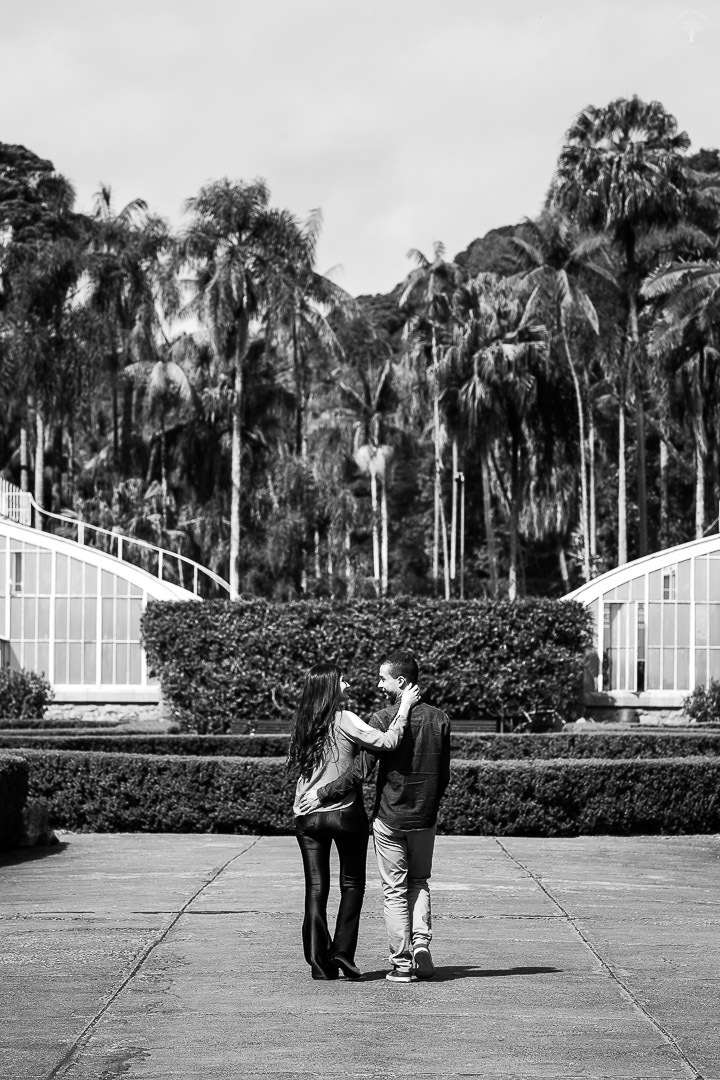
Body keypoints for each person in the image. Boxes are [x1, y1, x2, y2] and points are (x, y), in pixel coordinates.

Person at [299, 651, 451, 983]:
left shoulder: (374, 718)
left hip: (385, 817)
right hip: (421, 818)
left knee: (388, 890)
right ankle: (418, 946)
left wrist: (321, 793)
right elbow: (443, 775)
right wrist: (430, 808)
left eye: (382, 679)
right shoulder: (440, 719)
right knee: (415, 882)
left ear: (400, 681)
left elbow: (360, 771)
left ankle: (398, 964)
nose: (377, 684)